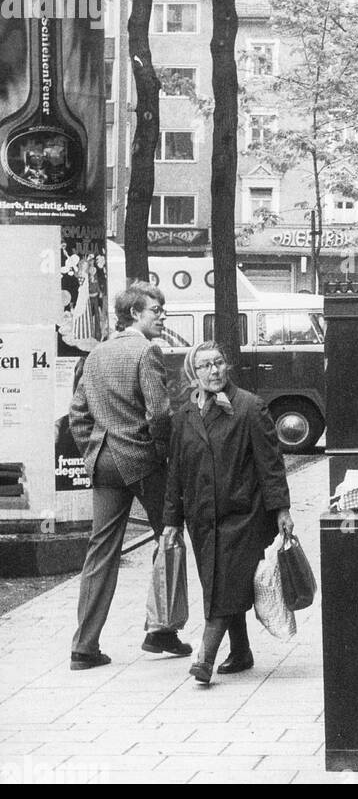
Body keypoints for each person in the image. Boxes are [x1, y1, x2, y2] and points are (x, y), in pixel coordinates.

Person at [68, 282, 191, 669]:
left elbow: (77, 413)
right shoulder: (146, 351)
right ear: (135, 313)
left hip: (104, 460)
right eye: (156, 310)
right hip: (142, 462)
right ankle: (162, 630)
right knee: (170, 536)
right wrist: (159, 453)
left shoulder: (97, 353)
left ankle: (83, 647)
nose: (162, 316)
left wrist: (93, 448)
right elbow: (158, 413)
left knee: (101, 550)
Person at [161, 342, 293, 686]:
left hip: (244, 514)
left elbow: (270, 464)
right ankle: (242, 651)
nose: (214, 370)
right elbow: (175, 470)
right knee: (221, 584)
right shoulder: (184, 415)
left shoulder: (250, 407)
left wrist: (281, 509)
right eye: (205, 366)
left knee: (224, 585)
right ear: (194, 373)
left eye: (219, 363)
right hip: (202, 519)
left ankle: (204, 659)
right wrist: (172, 520)